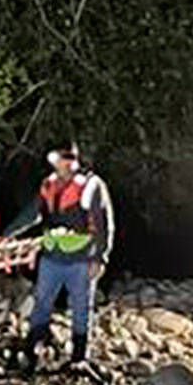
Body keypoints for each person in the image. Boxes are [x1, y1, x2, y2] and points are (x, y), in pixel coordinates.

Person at [23, 143, 114, 371]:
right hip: (52, 257)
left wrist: (100, 258)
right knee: (42, 302)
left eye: (67, 158)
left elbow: (104, 224)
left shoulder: (92, 186)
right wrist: (4, 236)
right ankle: (34, 348)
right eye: (58, 158)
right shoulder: (49, 184)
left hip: (81, 260)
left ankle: (79, 357)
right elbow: (32, 215)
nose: (62, 163)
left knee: (81, 307)